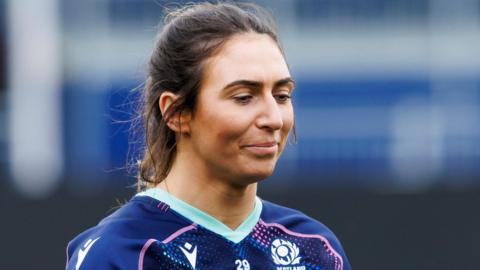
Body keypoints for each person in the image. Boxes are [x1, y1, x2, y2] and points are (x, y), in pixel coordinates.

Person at [65, 2, 351, 269]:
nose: (274, 119)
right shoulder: (123, 254)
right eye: (243, 97)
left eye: (282, 95)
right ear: (176, 112)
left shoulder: (315, 250)